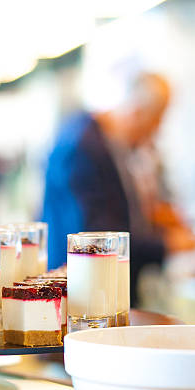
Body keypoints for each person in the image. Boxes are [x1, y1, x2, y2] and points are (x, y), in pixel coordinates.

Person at [42, 72, 195, 305]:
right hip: (84, 297)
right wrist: (168, 244)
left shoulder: (109, 143)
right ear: (136, 112)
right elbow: (95, 237)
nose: (154, 134)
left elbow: (114, 208)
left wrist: (155, 217)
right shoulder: (83, 146)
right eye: (154, 124)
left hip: (103, 289)